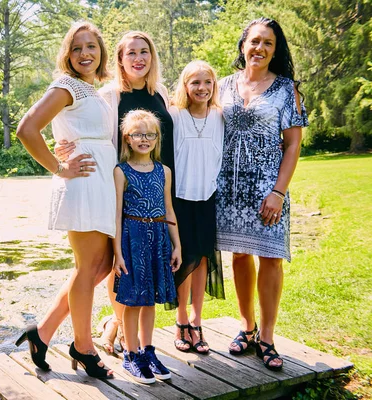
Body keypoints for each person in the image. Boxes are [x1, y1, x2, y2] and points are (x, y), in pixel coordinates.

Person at [56, 31, 173, 354]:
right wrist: (65, 149)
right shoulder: (109, 95)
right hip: (120, 192)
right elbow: (92, 136)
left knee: (141, 266)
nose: (138, 58)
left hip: (159, 187)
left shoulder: (161, 93)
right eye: (130, 53)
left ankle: (116, 329)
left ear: (152, 57)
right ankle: (121, 332)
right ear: (119, 60)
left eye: (144, 52)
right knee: (117, 266)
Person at [14, 21, 115, 378]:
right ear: (67, 55)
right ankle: (83, 347)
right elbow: (27, 128)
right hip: (83, 183)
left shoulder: (95, 91)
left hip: (101, 183)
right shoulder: (66, 85)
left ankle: (41, 333)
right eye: (77, 48)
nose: (85, 54)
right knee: (89, 267)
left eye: (91, 46)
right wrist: (59, 166)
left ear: (101, 51)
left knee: (99, 267)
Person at [217, 17, 308, 371]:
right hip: (229, 188)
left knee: (270, 258)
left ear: (275, 50)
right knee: (239, 257)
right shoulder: (222, 85)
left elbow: (293, 145)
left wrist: (278, 192)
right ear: (243, 45)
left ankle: (267, 336)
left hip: (268, 190)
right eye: (254, 41)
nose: (259, 48)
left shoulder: (288, 90)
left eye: (268, 43)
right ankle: (247, 327)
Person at [113, 109, 181, 383]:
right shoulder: (121, 171)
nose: (144, 139)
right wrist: (117, 252)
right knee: (134, 300)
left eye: (150, 134)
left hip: (159, 238)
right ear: (127, 139)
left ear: (157, 138)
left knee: (150, 299)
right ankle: (130, 355)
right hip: (133, 238)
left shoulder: (164, 171)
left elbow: (169, 210)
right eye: (138, 134)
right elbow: (116, 216)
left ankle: (148, 351)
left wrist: (177, 246)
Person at [168, 60, 226, 354]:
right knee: (184, 260)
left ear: (214, 86)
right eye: (195, 83)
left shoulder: (220, 115)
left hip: (208, 197)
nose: (202, 88)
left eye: (207, 82)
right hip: (179, 197)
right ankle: (180, 321)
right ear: (185, 86)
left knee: (203, 259)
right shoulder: (174, 115)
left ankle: (197, 321)